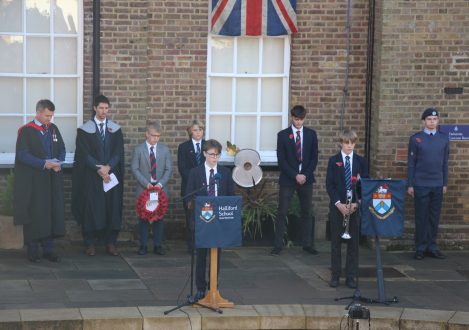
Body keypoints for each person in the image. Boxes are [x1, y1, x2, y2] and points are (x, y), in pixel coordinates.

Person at [72, 95, 125, 257]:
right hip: (92, 176)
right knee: (91, 209)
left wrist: (108, 167)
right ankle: (90, 243)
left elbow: (118, 152)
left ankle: (111, 243)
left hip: (111, 176)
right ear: (95, 108)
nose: (104, 111)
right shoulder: (84, 130)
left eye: (106, 108)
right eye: (101, 108)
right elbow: (83, 154)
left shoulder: (115, 129)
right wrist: (99, 168)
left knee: (111, 208)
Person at [14, 99, 65, 263]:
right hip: (34, 180)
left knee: (50, 212)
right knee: (36, 213)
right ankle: (33, 249)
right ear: (38, 112)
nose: (49, 119)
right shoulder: (26, 131)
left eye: (51, 116)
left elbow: (62, 148)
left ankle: (49, 249)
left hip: (52, 179)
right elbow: (22, 155)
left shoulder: (53, 129)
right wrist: (43, 164)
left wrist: (59, 163)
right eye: (47, 115)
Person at [185, 139, 234, 300]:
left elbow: (230, 197)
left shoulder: (225, 173)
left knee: (216, 255)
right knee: (201, 256)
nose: (215, 158)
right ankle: (200, 288)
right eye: (212, 154)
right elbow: (189, 196)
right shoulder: (195, 172)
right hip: (202, 221)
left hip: (219, 222)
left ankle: (214, 287)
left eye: (217, 155)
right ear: (205, 154)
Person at [271, 105, 319, 256]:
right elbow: (281, 160)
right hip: (288, 178)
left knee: (306, 212)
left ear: (305, 118)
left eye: (301, 119)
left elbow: (314, 158)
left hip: (306, 178)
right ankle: (278, 245)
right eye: (296, 119)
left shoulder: (311, 134)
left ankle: (307, 244)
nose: (298, 122)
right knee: (282, 212)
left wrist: (304, 174)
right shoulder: (283, 135)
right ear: (292, 117)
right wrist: (295, 175)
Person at [325, 129, 369, 288]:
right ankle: (335, 276)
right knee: (336, 243)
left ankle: (351, 276)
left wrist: (357, 204)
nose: (350, 146)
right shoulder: (333, 160)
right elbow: (329, 184)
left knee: (354, 245)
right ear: (341, 143)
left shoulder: (361, 161)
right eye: (346, 143)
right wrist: (339, 204)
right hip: (338, 207)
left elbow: (365, 184)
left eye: (352, 143)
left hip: (354, 207)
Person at [407, 107, 449, 260]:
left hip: (437, 184)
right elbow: (411, 163)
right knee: (421, 216)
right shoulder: (416, 139)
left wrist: (445, 183)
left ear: (438, 121)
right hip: (420, 184)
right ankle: (420, 247)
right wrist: (410, 184)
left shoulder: (444, 138)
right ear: (424, 121)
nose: (432, 122)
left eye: (435, 119)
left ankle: (432, 246)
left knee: (434, 217)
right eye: (429, 119)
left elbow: (445, 162)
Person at [131, 121, 172, 255]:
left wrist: (160, 184)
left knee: (159, 218)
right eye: (153, 135)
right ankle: (143, 245)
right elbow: (135, 169)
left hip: (160, 189)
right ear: (147, 134)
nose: (156, 139)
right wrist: (146, 183)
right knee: (143, 218)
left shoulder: (165, 150)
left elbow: (168, 169)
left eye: (158, 136)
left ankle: (158, 245)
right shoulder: (138, 149)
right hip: (144, 189)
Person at [177, 120, 206, 252]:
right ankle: (192, 245)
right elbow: (182, 169)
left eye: (200, 129)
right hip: (189, 188)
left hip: (206, 188)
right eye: (195, 130)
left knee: (205, 217)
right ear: (190, 132)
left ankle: (203, 243)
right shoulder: (183, 147)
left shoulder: (208, 146)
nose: (198, 132)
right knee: (190, 218)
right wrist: (196, 179)